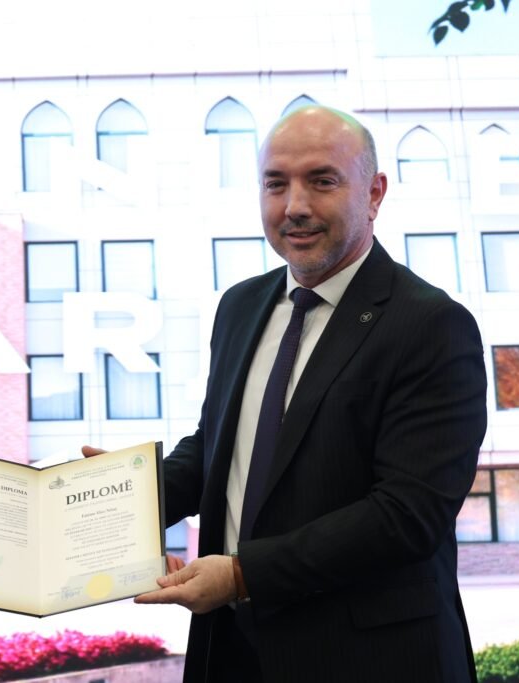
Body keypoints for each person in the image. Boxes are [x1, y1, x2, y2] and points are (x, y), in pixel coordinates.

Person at [88, 106, 487, 682]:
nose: (294, 205)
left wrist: (242, 575)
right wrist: (125, 496)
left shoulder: (431, 324)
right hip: (230, 651)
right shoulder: (240, 306)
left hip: (369, 660)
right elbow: (218, 450)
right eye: (275, 184)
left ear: (374, 193)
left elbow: (407, 515)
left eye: (322, 181)